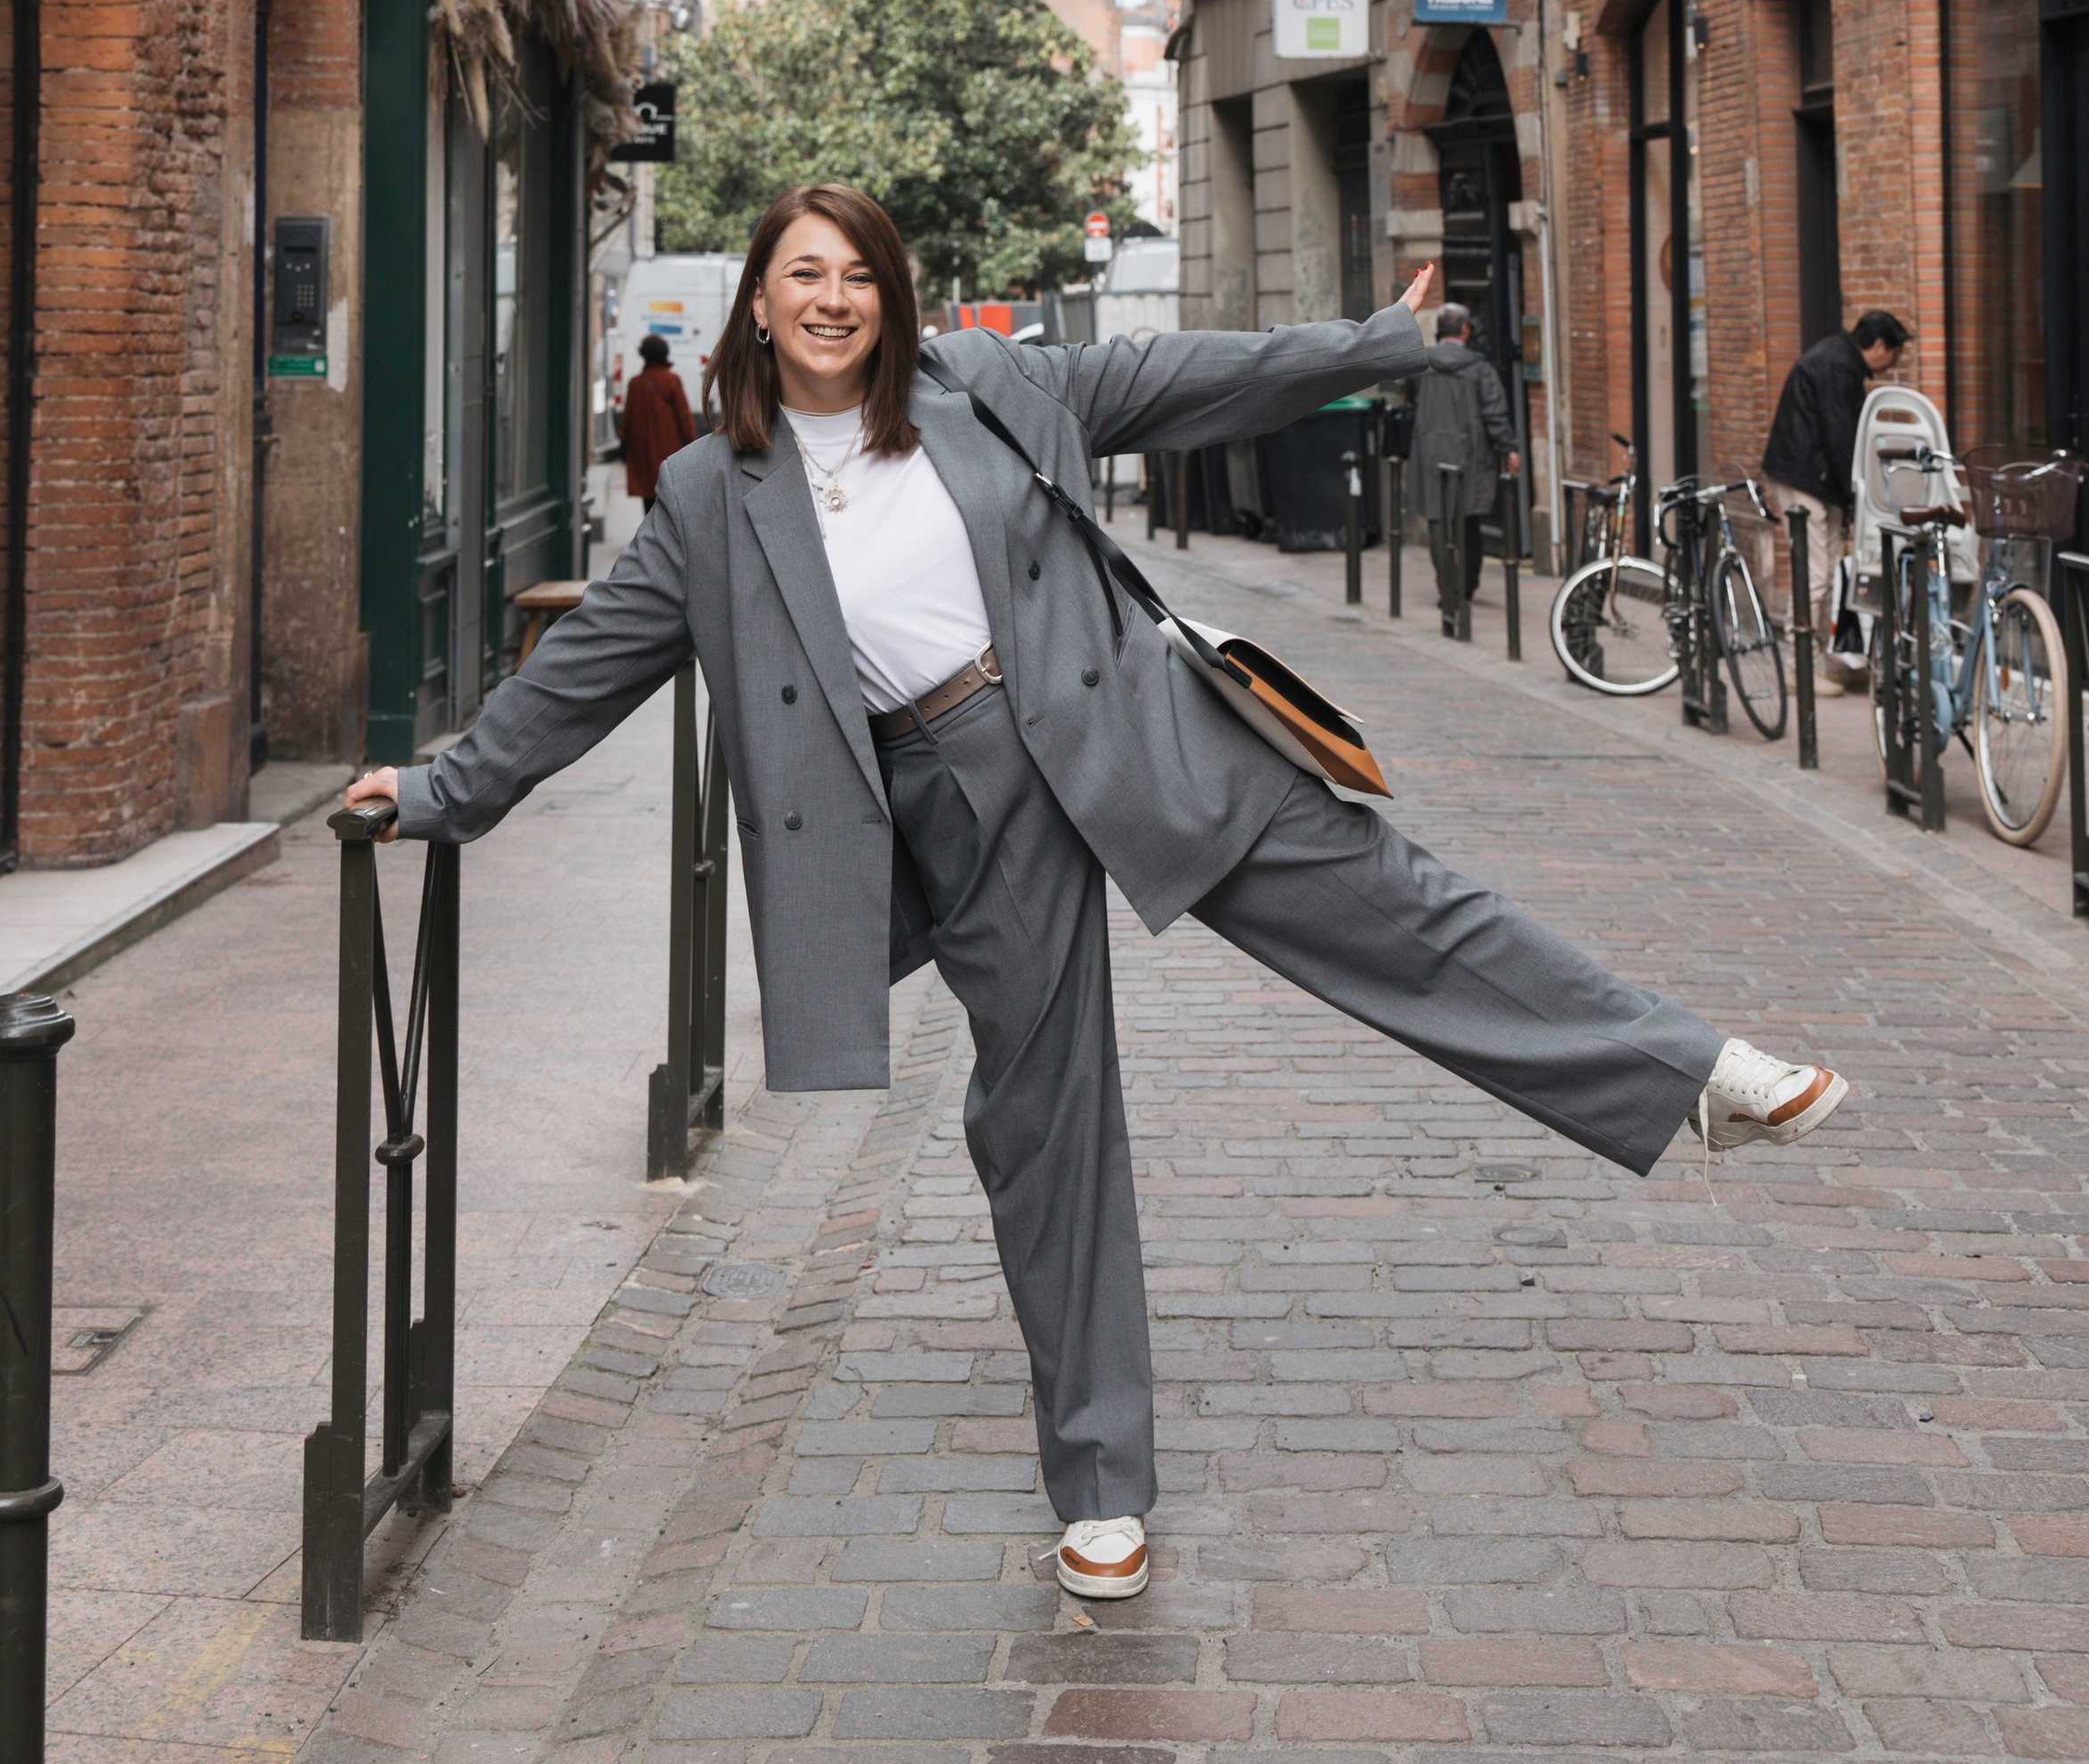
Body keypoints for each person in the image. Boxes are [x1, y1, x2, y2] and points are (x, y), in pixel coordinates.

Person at [345, 183, 1848, 1605]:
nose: (834, 296)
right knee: (1047, 1120)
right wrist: (441, 792)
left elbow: (1192, 372)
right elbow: (592, 666)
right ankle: (1100, 1488)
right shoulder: (706, 497)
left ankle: (1690, 1074)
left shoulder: (985, 385)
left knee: (1398, 904)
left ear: (892, 296)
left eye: (859, 272)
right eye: (804, 272)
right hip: (959, 794)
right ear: (755, 300)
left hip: (1122, 722)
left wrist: (1376, 343)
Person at [1763, 310, 1911, 661]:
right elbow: (1840, 436)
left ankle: (1814, 654)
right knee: (1815, 571)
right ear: (1877, 346)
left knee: (1824, 567)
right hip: (1806, 476)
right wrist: (1857, 495)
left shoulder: (1836, 357)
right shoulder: (1838, 366)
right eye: (1895, 352)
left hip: (1811, 476)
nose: (1895, 361)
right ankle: (1802, 662)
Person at [1410, 300, 1522, 601]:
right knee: (1469, 519)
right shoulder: (1480, 369)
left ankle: (1447, 589)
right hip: (1469, 451)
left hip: (1430, 449)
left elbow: (1409, 401)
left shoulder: (1421, 365)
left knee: (1437, 518)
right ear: (1464, 330)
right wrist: (1508, 447)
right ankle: (1467, 585)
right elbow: (1494, 413)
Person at [619, 333, 697, 510]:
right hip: (670, 455)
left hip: (644, 456)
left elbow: (627, 421)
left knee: (648, 504)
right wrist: (693, 447)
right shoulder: (672, 380)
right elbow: (684, 418)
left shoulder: (635, 383)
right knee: (670, 503)